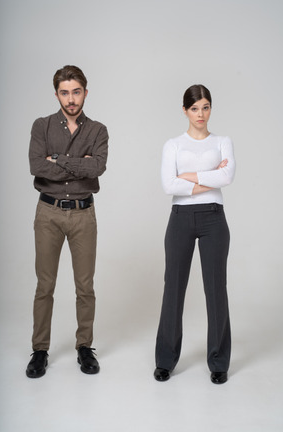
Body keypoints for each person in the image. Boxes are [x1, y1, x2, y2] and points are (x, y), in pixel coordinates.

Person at [26, 65, 108, 378]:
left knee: (85, 286)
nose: (71, 99)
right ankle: (39, 350)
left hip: (84, 215)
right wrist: (77, 164)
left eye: (76, 91)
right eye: (64, 92)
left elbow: (97, 168)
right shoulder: (42, 126)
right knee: (45, 285)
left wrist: (57, 160)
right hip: (48, 214)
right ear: (57, 93)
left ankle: (84, 346)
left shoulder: (98, 131)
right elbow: (36, 165)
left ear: (85, 92)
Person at [154, 84, 235, 384]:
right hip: (180, 219)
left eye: (205, 107)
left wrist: (187, 177)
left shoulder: (223, 142)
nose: (200, 114)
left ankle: (219, 362)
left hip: (214, 219)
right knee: (173, 288)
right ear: (185, 110)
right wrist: (209, 178)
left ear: (210, 108)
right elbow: (167, 186)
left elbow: (228, 176)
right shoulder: (173, 144)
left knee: (216, 290)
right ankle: (165, 360)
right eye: (194, 108)